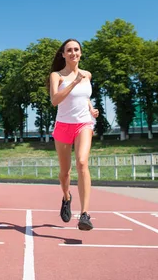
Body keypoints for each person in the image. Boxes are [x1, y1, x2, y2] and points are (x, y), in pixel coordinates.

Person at [48, 38, 99, 231]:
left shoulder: (87, 75)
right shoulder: (57, 76)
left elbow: (85, 97)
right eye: (69, 50)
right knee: (65, 173)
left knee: (82, 162)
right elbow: (55, 100)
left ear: (81, 53)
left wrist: (92, 108)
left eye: (76, 50)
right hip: (63, 126)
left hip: (84, 124)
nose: (73, 53)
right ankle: (66, 196)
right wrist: (73, 82)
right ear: (63, 54)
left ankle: (85, 214)